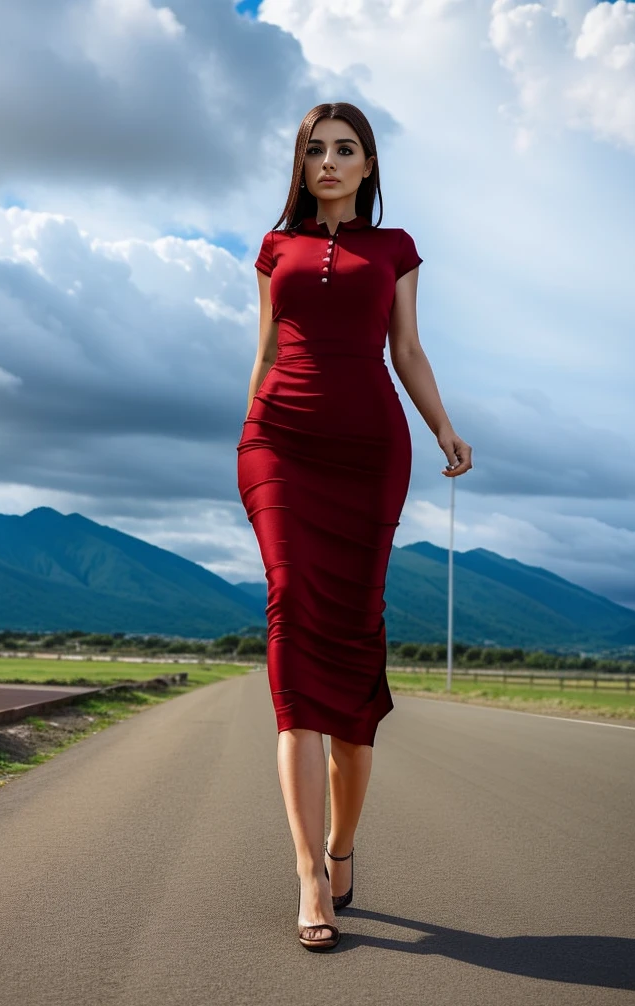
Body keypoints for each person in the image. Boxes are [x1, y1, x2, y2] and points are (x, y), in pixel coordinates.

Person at [236, 102, 473, 951]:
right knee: (293, 614)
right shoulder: (274, 248)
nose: (328, 162)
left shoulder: (394, 248)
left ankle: (342, 847)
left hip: (370, 449)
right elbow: (263, 352)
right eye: (313, 151)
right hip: (280, 442)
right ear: (298, 165)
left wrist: (443, 424)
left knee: (353, 649)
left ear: (368, 166)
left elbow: (405, 348)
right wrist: (248, 431)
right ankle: (309, 873)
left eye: (344, 150)